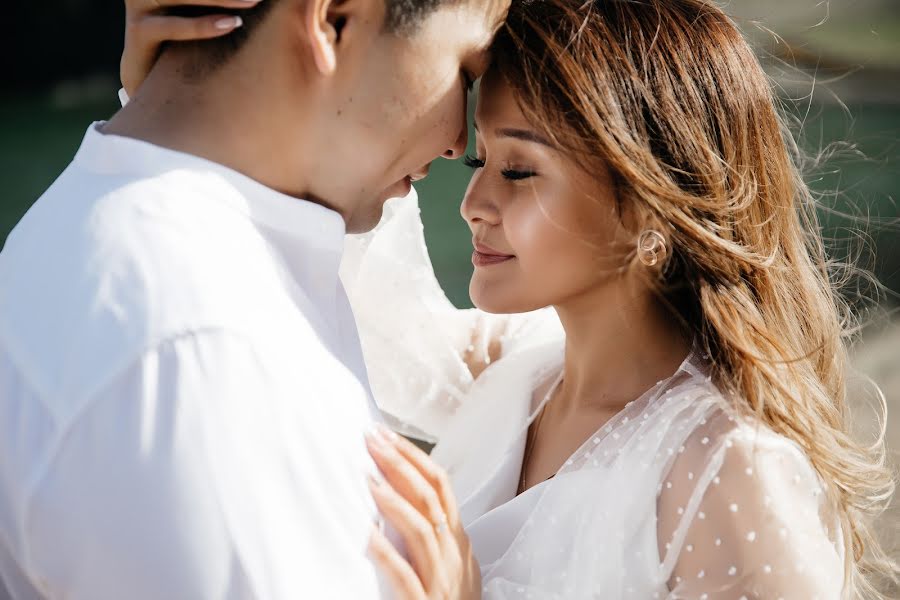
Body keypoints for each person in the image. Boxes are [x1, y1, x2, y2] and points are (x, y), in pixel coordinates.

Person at [114, 0, 900, 598]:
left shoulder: (729, 470)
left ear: (649, 206)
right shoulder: (516, 377)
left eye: (518, 171)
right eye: (478, 162)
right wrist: (180, 92)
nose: (474, 204)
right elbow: (359, 295)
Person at [0, 0, 510, 598]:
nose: (458, 141)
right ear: (333, 20)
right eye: (466, 73)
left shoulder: (133, 245)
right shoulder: (194, 354)